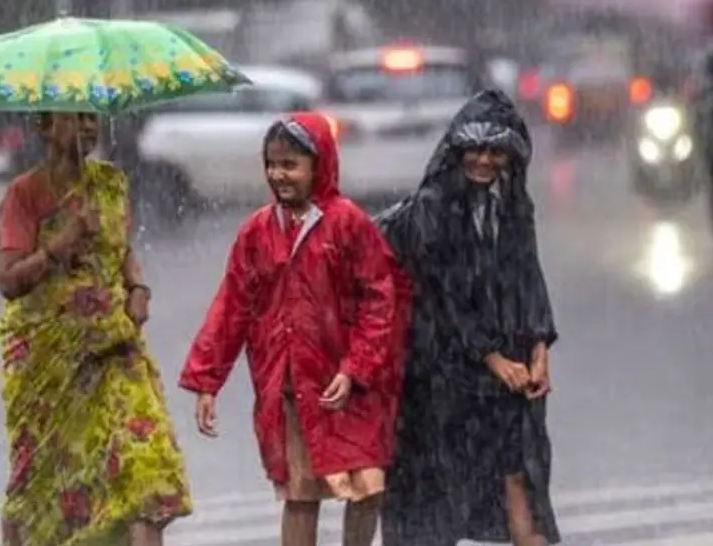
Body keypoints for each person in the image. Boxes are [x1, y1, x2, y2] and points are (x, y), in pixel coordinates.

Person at [178, 113, 406, 546]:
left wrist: (356, 367)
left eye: (290, 165)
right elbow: (231, 308)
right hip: (292, 389)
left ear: (319, 165)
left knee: (366, 485)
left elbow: (379, 302)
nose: (278, 175)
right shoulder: (258, 232)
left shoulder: (347, 223)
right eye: (272, 164)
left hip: (350, 387)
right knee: (300, 494)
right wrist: (207, 380)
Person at [0, 112, 191, 546]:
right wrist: (58, 245)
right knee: (46, 480)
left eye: (91, 117)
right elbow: (8, 280)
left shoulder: (109, 183)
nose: (87, 127)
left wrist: (137, 286)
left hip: (115, 346)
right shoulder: (24, 194)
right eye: (75, 118)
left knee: (145, 464)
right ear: (45, 128)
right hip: (50, 361)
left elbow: (121, 249)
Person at [376, 90, 560, 546]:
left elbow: (528, 277)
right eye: (474, 149)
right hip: (442, 376)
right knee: (440, 492)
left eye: (495, 150)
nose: (483, 160)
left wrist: (538, 349)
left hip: (507, 375)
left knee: (519, 477)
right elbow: (442, 297)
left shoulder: (515, 204)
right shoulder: (434, 209)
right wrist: (491, 358)